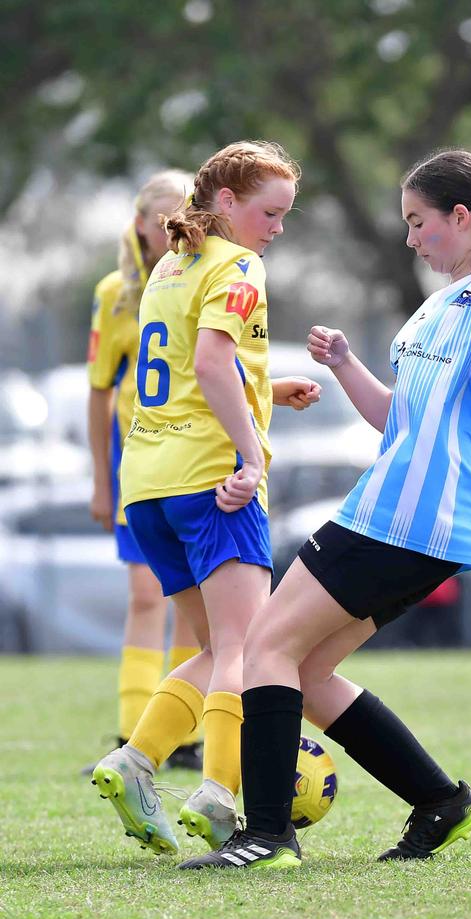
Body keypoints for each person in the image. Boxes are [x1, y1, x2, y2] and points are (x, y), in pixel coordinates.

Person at [178, 148, 471, 872]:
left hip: (417, 515)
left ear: (460, 217)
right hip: (401, 508)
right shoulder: (442, 301)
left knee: (266, 646)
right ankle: (442, 802)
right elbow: (403, 422)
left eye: (420, 222)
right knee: (308, 670)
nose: (412, 238)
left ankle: (264, 835)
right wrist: (346, 365)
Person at [90, 140, 321, 857]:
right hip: (209, 479)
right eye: (269, 212)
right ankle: (220, 794)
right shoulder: (239, 263)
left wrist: (268, 391)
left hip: (150, 483)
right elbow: (212, 361)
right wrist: (251, 456)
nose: (277, 228)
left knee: (218, 644)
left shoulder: (170, 262)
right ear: (226, 203)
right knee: (248, 648)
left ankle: (134, 759)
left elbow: (193, 368)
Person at [85, 170, 204, 773]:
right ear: (142, 224)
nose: (179, 226)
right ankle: (132, 732)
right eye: (167, 218)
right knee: (144, 595)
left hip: (195, 456)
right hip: (136, 458)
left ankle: (181, 735)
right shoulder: (117, 293)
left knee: (193, 599)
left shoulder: (207, 277)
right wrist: (102, 481)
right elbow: (100, 391)